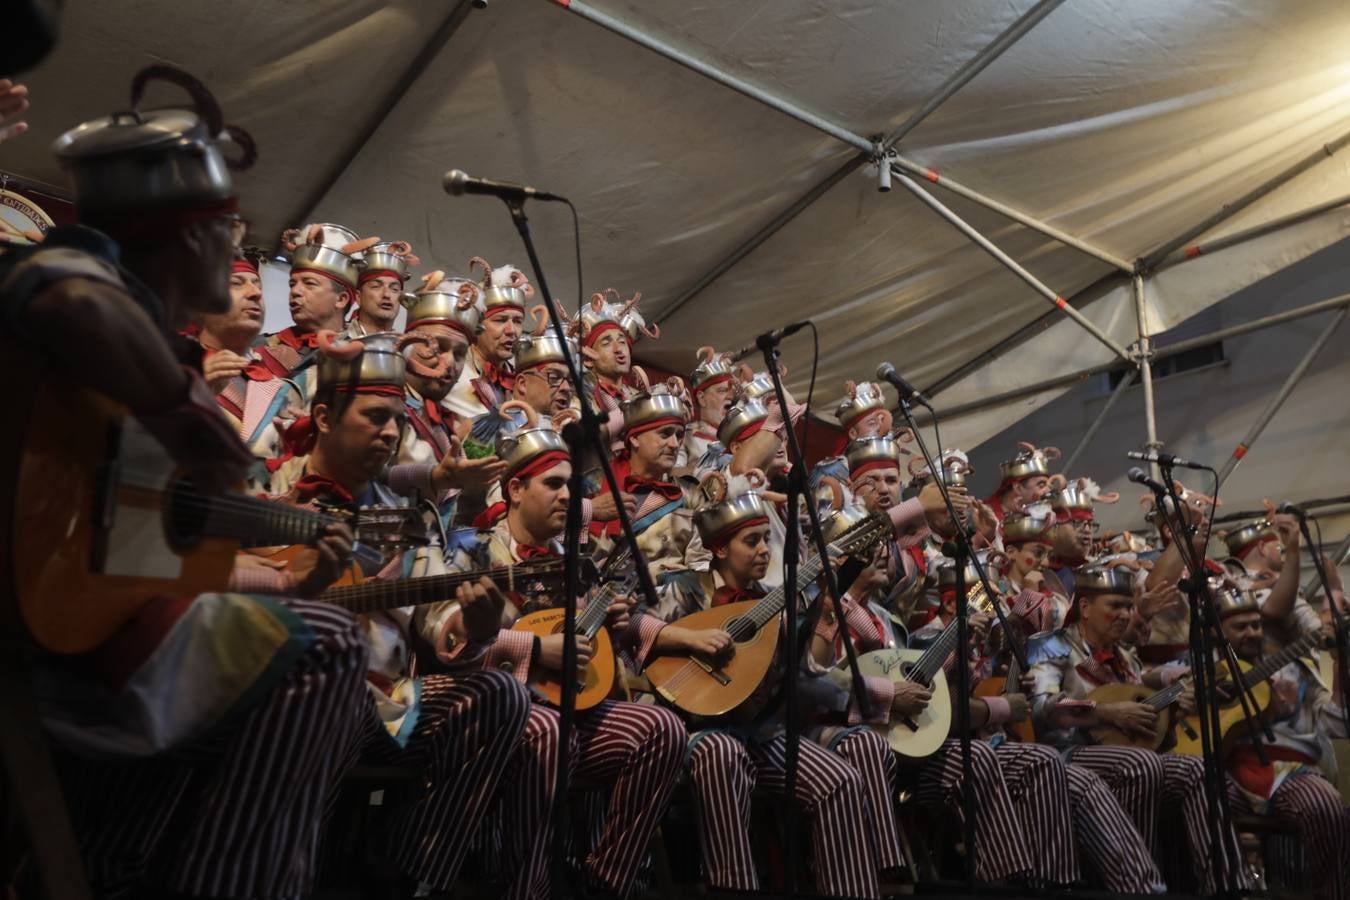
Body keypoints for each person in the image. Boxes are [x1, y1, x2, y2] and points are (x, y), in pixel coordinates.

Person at [5, 67, 370, 900]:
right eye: (230, 235)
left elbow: (133, 523)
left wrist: (276, 532)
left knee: (236, 650)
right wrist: (181, 409)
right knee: (328, 647)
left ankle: (114, 864)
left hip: (70, 611)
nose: (245, 264)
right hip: (31, 618)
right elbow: (57, 294)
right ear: (192, 235)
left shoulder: (149, 333)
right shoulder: (83, 271)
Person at [266, 331, 534, 897]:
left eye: (396, 420)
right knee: (328, 672)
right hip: (281, 682)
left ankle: (408, 874)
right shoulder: (273, 482)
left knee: (501, 694)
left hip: (387, 704)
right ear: (322, 417)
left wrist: (475, 631)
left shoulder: (404, 518)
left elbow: (434, 620)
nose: (390, 432)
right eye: (375, 417)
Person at [451, 405, 686, 900]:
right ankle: (525, 888)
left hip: (569, 713)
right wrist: (535, 650)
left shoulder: (576, 562)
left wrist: (614, 626)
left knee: (662, 729)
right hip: (492, 714)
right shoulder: (471, 550)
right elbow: (449, 641)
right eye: (553, 485)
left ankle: (606, 880)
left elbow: (589, 641)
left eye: (571, 487)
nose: (568, 497)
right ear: (515, 489)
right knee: (549, 733)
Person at [1028, 564, 1246, 894]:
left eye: (1128, 607)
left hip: (1125, 754)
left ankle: (1227, 885)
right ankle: (1138, 886)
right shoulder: (1052, 646)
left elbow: (1141, 716)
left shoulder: (1127, 659)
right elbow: (1041, 709)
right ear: (1084, 608)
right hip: (1067, 757)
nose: (1124, 614)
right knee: (1140, 765)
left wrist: (1173, 705)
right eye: (1114, 605)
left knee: (1199, 769)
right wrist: (1105, 713)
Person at [1207, 585, 1348, 899]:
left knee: (1324, 804)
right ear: (1217, 634)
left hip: (1286, 769)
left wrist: (1340, 664)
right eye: (1240, 627)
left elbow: (1337, 725)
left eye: (1255, 624)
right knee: (1192, 801)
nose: (1252, 633)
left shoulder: (1294, 670)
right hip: (1225, 775)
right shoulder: (1201, 672)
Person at [384, 271, 506, 529]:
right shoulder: (380, 402)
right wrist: (436, 476)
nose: (449, 363)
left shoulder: (446, 423)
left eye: (460, 353)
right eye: (436, 347)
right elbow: (366, 478)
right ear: (406, 342)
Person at [193, 244, 303, 489]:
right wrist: (194, 395)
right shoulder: (172, 369)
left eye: (258, 285)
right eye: (236, 283)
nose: (255, 293)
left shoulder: (283, 389)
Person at [257, 222, 367, 403]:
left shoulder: (361, 360)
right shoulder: (262, 346)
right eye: (292, 284)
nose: (296, 291)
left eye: (309, 283)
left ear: (341, 299)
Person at [445, 255, 529, 421]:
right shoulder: (452, 375)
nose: (512, 330)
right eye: (500, 320)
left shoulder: (522, 384)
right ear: (477, 325)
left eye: (518, 321)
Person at [348, 239, 419, 336]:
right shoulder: (335, 343)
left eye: (394, 289)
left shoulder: (405, 348)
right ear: (358, 297)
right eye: (376, 286)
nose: (386, 295)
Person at [987, 442, 1059, 522]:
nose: (1048, 491)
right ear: (1018, 488)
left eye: (1048, 486)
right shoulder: (987, 519)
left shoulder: (1036, 516)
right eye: (1041, 486)